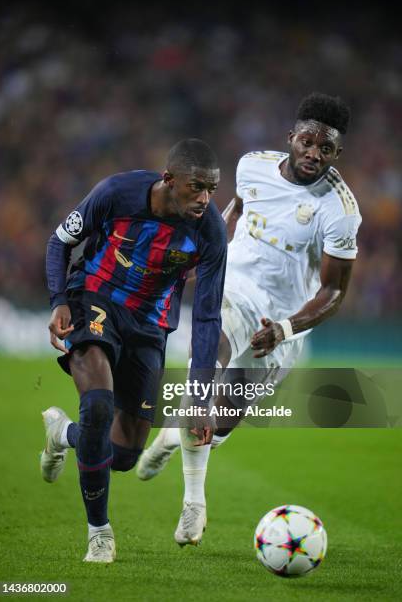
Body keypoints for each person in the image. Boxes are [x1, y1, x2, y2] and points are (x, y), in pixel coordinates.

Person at [136, 92, 362, 546]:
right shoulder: (252, 164)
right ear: (291, 138)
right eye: (307, 142)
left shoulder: (340, 210)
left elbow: (334, 290)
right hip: (232, 291)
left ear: (337, 154)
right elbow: (239, 206)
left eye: (326, 149)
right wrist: (211, 245)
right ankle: (194, 505)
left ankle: (169, 438)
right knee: (209, 360)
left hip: (280, 321)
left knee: (220, 421)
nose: (314, 154)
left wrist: (285, 329)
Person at [41, 139, 227, 563]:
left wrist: (199, 399)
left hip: (150, 324)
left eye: (211, 190)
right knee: (99, 407)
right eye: (196, 187)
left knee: (123, 455)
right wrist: (58, 300)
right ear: (168, 179)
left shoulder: (211, 230)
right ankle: (99, 532)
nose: (204, 199)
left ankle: (62, 435)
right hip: (96, 298)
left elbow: (206, 319)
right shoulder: (115, 194)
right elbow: (59, 242)